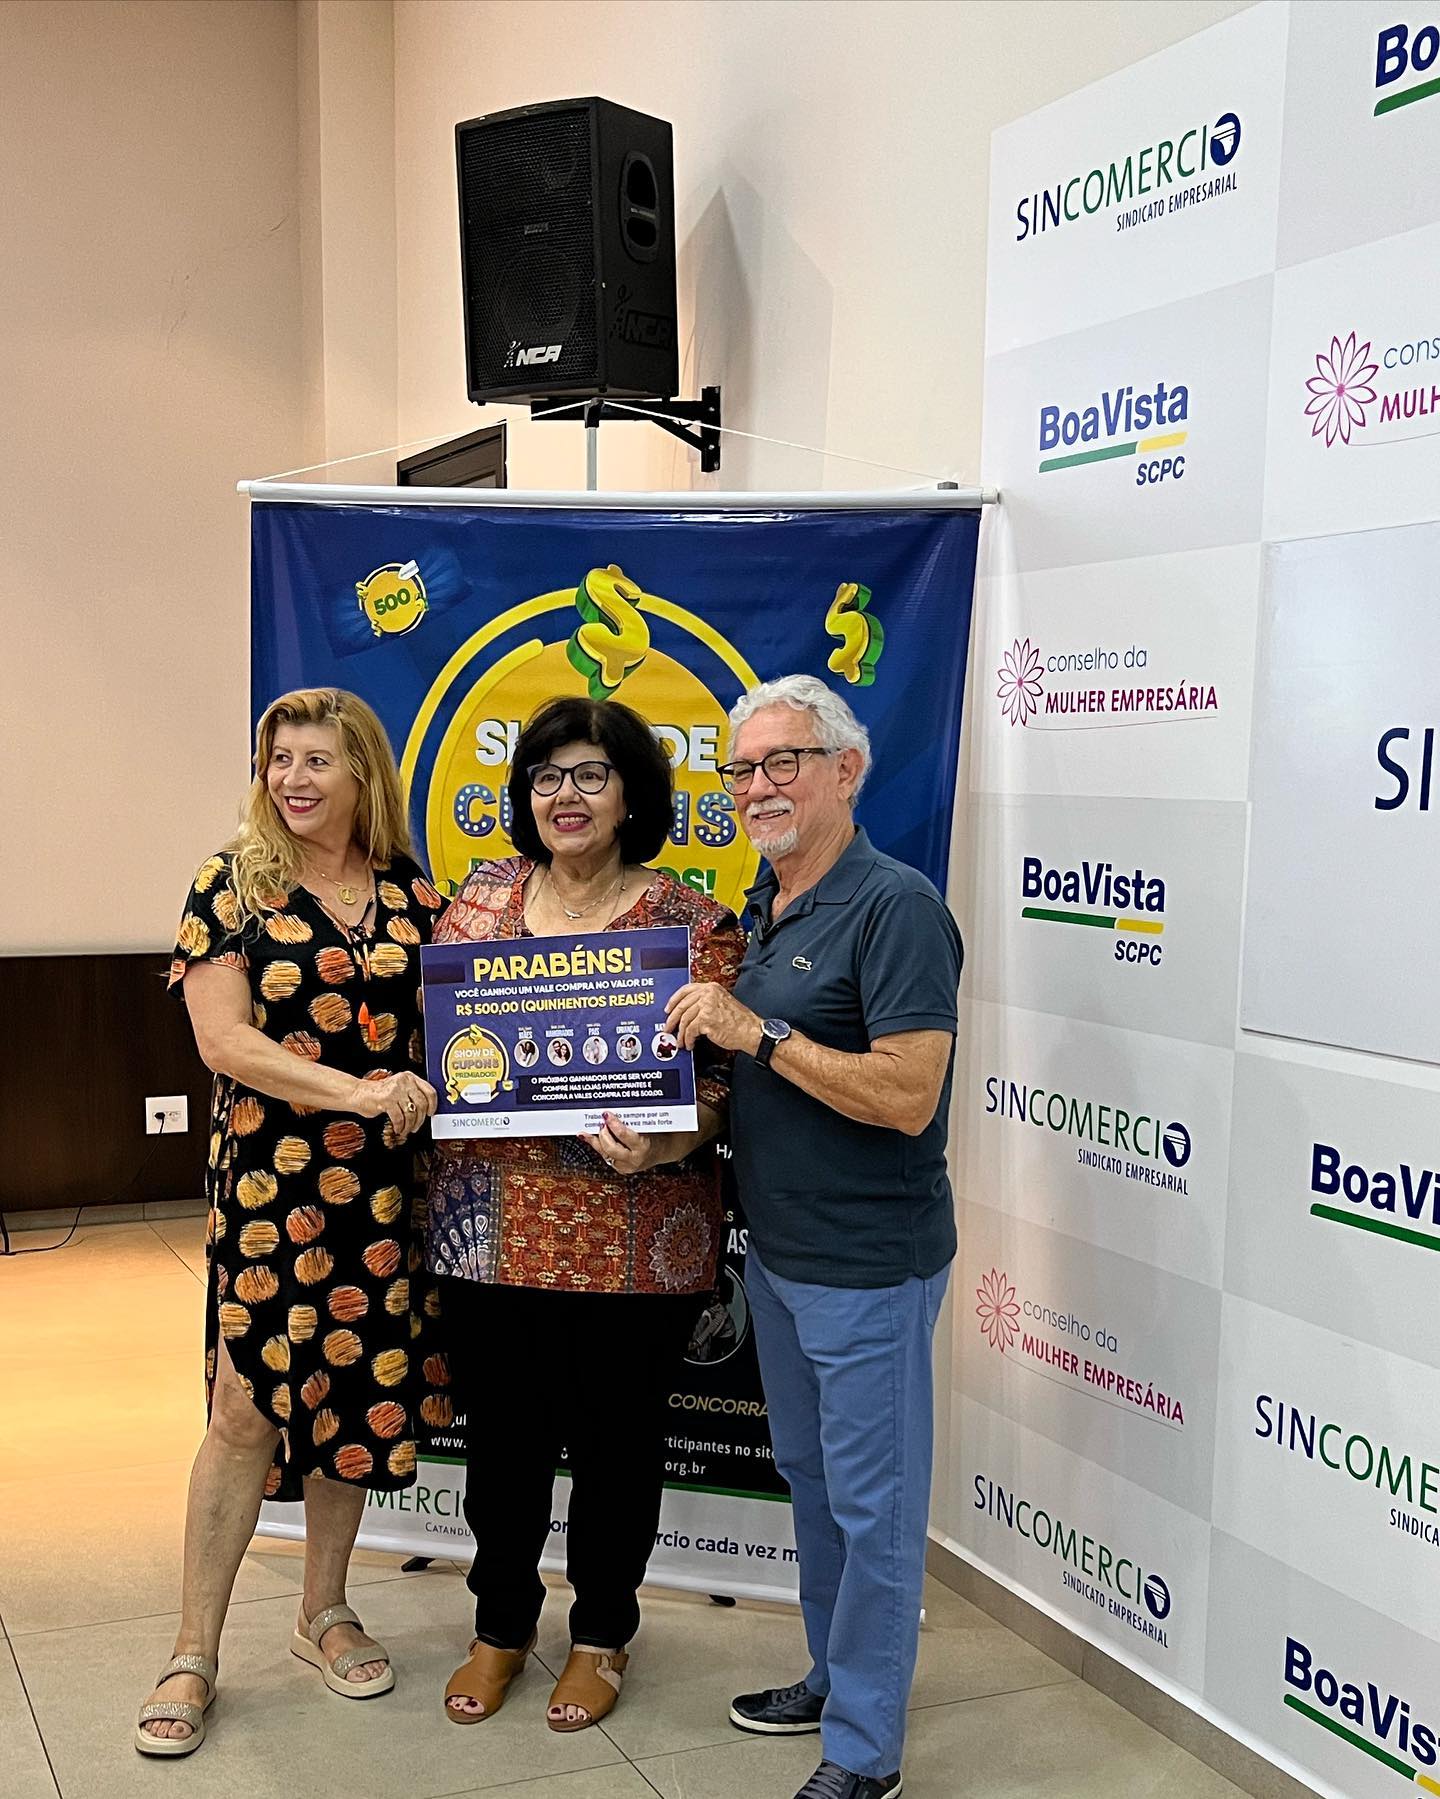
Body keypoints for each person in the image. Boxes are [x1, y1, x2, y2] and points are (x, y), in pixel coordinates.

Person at [666, 675, 962, 1799]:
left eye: (782, 761)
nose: (757, 786)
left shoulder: (897, 907)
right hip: (780, 1259)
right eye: (741, 768)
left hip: (869, 1266)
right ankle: (837, 1678)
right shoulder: (767, 899)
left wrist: (758, 1030)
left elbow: (907, 1094)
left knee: (875, 1510)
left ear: (848, 768)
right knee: (813, 1480)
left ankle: (865, 1751)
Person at [136, 687, 447, 1758]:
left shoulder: (410, 890)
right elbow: (224, 1041)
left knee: (347, 1391)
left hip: (383, 1190)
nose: (294, 778)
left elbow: (454, 1026)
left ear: (364, 773)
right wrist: (360, 1090)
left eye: (318, 759)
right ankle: (193, 1650)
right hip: (274, 1186)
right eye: (280, 759)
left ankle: (324, 1609)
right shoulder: (231, 882)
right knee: (245, 1406)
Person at [427, 695, 744, 1733]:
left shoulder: (692, 922)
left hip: (633, 1238)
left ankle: (602, 1632)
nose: (566, 795)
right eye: (547, 775)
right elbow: (434, 1033)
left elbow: (725, 1084)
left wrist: (671, 1141)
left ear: (631, 794)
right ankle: (500, 1625)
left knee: (618, 1448)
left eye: (592, 774)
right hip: (487, 1232)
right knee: (503, 1447)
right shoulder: (479, 900)